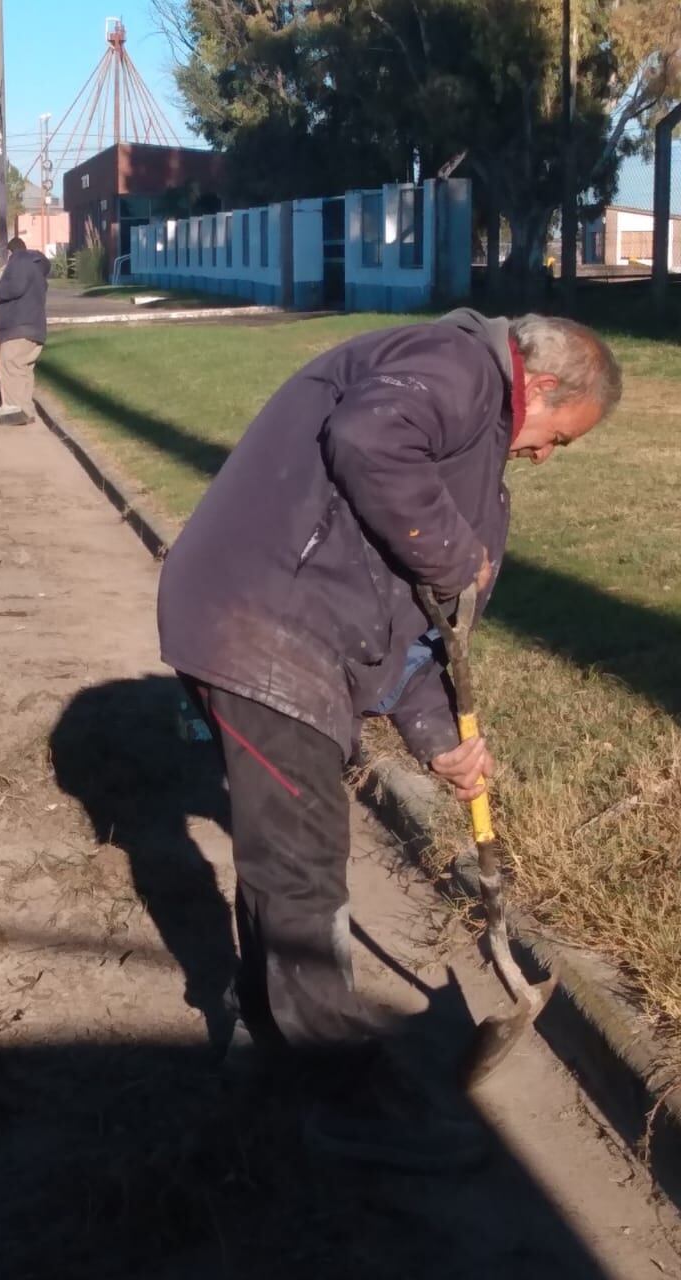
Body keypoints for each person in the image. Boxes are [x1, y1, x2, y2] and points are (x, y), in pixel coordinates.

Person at [157, 309, 621, 1167]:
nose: (547, 455)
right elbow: (370, 439)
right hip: (258, 628)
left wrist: (440, 739)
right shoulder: (458, 366)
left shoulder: (472, 435)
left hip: (285, 632)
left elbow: (411, 632)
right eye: (560, 437)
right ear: (545, 387)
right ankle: (342, 1096)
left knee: (283, 857)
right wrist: (454, 557)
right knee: (301, 865)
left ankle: (265, 1043)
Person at [0, 236, 50, 425]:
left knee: (9, 365)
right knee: (23, 370)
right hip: (35, 330)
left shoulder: (19, 262)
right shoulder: (36, 268)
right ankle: (26, 411)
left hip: (18, 329)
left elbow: (14, 288)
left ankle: (14, 410)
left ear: (10, 252)